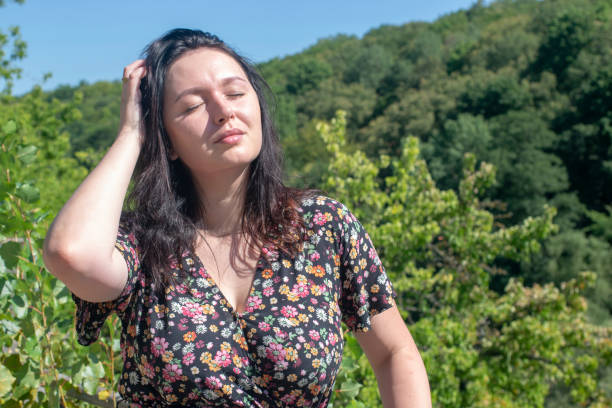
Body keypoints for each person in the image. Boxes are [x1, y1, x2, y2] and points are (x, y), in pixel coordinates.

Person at [43, 28, 431, 407]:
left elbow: (394, 353)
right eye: (193, 106)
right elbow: (71, 253)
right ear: (167, 140)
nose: (224, 111)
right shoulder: (139, 246)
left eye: (235, 92)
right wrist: (131, 134)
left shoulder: (322, 226)